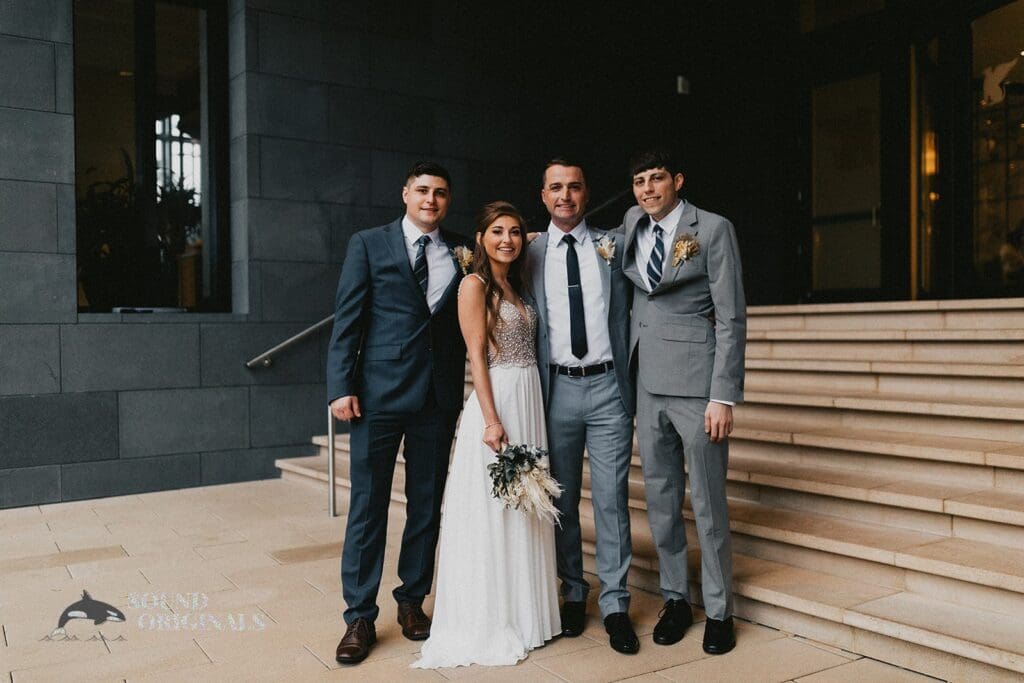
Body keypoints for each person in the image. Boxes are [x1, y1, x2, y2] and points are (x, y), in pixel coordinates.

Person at [327, 161, 472, 665]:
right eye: (423, 191)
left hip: (436, 398)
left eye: (441, 194)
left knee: (426, 504)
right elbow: (349, 318)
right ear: (406, 194)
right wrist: (340, 387)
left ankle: (412, 602)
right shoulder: (368, 243)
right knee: (367, 507)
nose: (432, 200)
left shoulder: (461, 249)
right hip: (378, 397)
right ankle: (359, 617)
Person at [413, 201, 561, 669]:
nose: (508, 240)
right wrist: (493, 419)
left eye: (515, 233)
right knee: (498, 507)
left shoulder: (514, 283)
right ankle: (494, 614)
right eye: (497, 231)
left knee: (526, 504)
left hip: (530, 396)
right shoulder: (473, 285)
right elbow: (476, 355)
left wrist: (535, 236)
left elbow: (536, 239)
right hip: (498, 399)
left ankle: (530, 614)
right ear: (480, 238)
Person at [619, 148, 746, 655]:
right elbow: (604, 243)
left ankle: (718, 610)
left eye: (656, 179)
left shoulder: (712, 229)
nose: (647, 189)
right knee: (661, 499)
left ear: (677, 180)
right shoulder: (632, 221)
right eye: (639, 181)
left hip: (698, 387)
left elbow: (731, 317)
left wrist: (723, 395)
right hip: (646, 383)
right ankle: (676, 599)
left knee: (709, 504)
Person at [526, 159, 639, 654]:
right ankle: (574, 591)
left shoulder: (611, 244)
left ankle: (616, 604)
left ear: (587, 193)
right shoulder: (527, 251)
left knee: (613, 501)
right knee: (563, 500)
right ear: (543, 195)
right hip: (558, 390)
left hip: (609, 387)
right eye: (556, 187)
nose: (565, 195)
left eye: (574, 187)